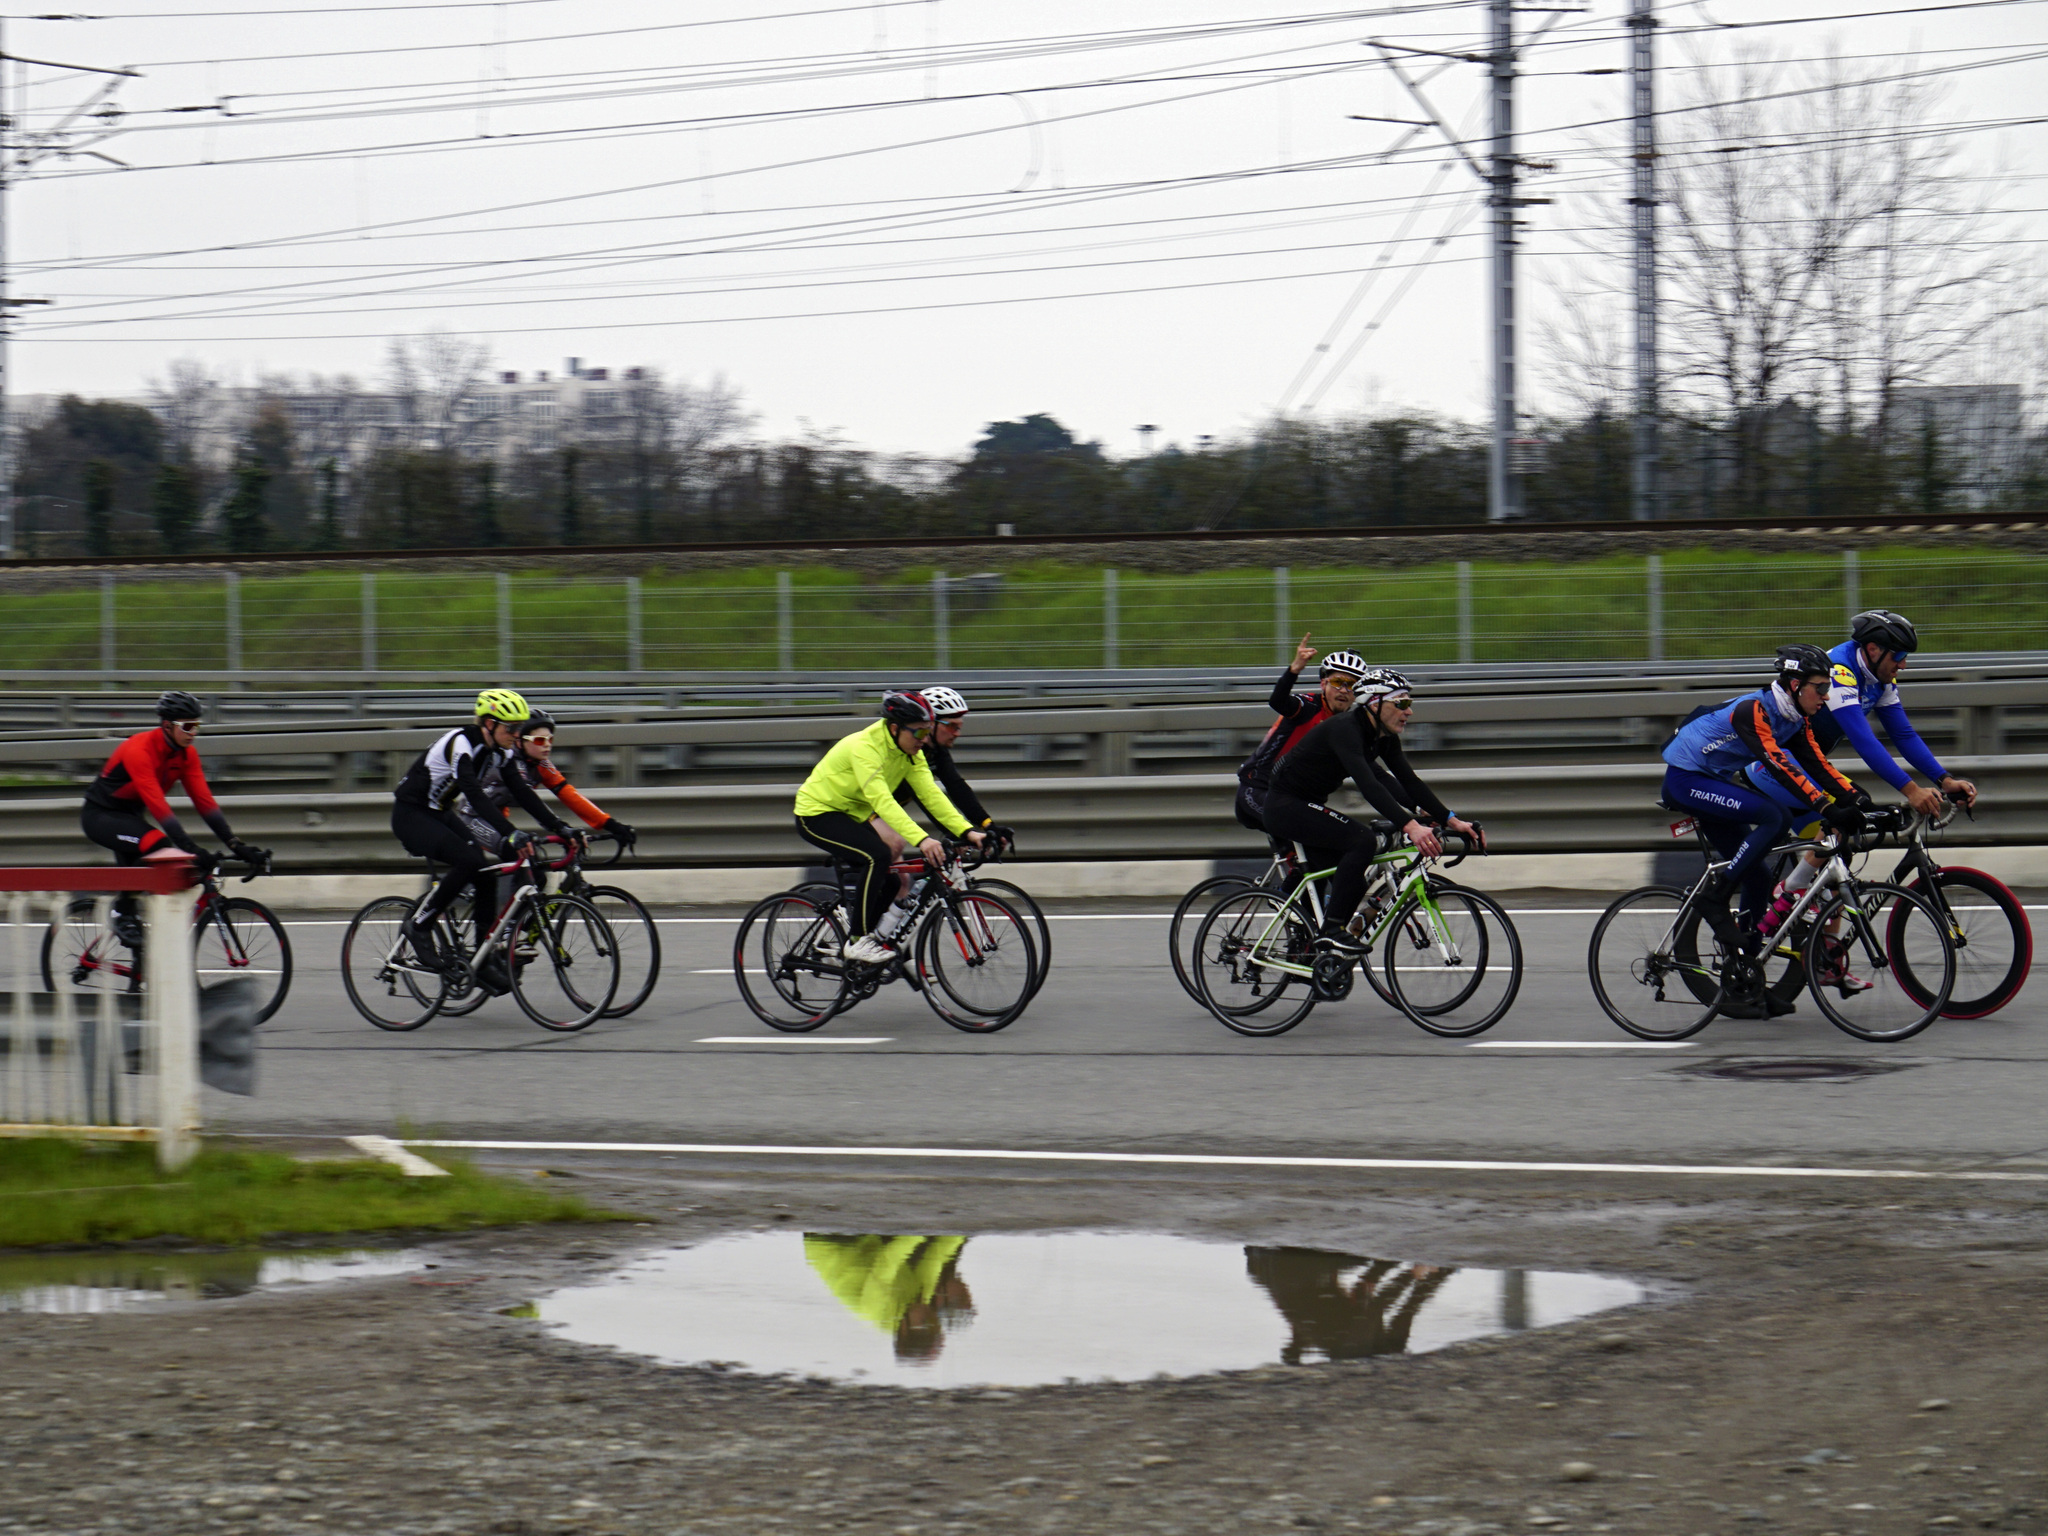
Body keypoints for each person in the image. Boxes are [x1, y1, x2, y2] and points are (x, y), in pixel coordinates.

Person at [1757, 609, 1980, 937]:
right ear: (1873, 650)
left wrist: (1943, 779)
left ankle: (1826, 956)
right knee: (1846, 817)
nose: (1903, 664)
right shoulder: (1839, 670)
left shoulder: (1880, 678)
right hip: (1774, 765)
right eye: (1900, 656)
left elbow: (1903, 735)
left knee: (1839, 855)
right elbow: (1863, 739)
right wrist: (1910, 790)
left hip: (1807, 766)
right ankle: (1789, 890)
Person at [1661, 645, 1866, 966]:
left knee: (1758, 876)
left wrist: (1857, 800)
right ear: (1796, 686)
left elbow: (1818, 765)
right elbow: (1779, 765)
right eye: (1821, 687)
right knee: (1775, 816)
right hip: (1685, 780)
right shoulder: (1754, 710)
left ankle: (1746, 969)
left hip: (1713, 781)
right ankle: (1715, 898)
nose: (1826, 696)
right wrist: (1826, 808)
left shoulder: (1795, 718)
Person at [1262, 668, 1485, 957]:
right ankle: (1331, 931)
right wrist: (1411, 826)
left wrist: (1450, 819)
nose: (1410, 711)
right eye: (1402, 703)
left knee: (1354, 870)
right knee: (1362, 840)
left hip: (1308, 803)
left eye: (1409, 703)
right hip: (1285, 805)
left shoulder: (1383, 735)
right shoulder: (1345, 729)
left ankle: (1314, 958)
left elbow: (1407, 782)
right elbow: (1368, 784)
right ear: (1375, 703)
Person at [792, 691, 985, 966]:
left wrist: (968, 831)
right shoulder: (866, 747)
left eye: (927, 732)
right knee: (878, 856)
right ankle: (857, 941)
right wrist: (922, 840)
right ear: (895, 728)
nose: (923, 740)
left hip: (850, 813)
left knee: (893, 880)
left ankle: (866, 938)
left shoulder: (910, 752)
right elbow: (882, 802)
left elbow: (932, 795)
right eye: (918, 733)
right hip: (817, 813)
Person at [81, 689, 263, 945]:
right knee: (159, 845)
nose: (193, 733)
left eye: (197, 726)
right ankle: (120, 911)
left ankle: (140, 966)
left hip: (130, 817)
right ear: (167, 726)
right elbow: (158, 806)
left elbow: (205, 804)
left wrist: (236, 844)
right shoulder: (139, 749)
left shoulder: (186, 756)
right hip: (101, 816)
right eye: (188, 727)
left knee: (155, 867)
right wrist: (190, 848)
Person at [391, 688, 560, 965]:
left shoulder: (499, 751)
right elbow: (474, 795)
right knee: (468, 861)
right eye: (511, 728)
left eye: (520, 729)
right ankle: (419, 926)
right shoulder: (462, 743)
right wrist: (510, 833)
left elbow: (523, 792)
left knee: (482, 873)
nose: (516, 735)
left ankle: (483, 957)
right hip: (411, 814)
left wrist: (559, 826)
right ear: (489, 724)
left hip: (438, 812)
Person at [862, 686, 1011, 894]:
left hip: (885, 814)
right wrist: (958, 831)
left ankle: (887, 925)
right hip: (864, 811)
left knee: (903, 884)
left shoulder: (935, 751)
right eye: (951, 726)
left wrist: (988, 825)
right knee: (896, 844)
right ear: (930, 724)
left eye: (960, 727)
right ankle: (860, 914)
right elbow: (925, 799)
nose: (957, 733)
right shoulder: (909, 749)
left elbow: (957, 786)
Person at [459, 710, 639, 856]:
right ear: (520, 742)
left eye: (550, 739)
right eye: (539, 740)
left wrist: (610, 824)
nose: (547, 745)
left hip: (497, 818)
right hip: (472, 817)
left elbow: (570, 795)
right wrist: (561, 828)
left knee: (533, 872)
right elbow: (529, 800)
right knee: (520, 854)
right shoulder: (509, 762)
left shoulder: (542, 764)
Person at [1234, 636, 1365, 833]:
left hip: (1296, 800)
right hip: (1259, 791)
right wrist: (1294, 669)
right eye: (1338, 682)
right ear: (1323, 684)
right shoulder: (1308, 706)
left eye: (1351, 685)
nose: (1344, 690)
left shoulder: (1349, 726)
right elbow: (1278, 701)